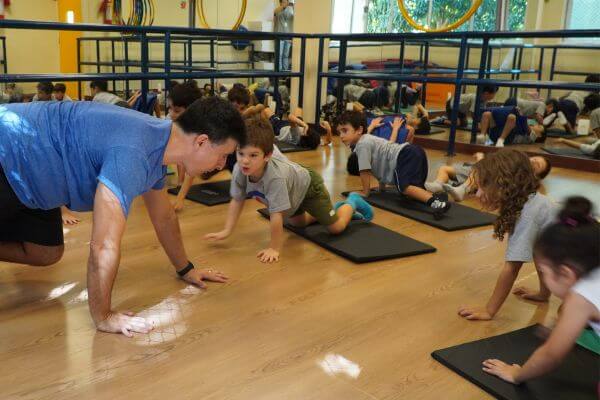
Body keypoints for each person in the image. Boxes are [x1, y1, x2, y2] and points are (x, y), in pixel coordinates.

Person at [0, 97, 245, 336]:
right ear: (201, 142)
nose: (221, 164)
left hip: (36, 175)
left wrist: (186, 269)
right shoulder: (133, 153)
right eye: (223, 155)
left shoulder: (158, 142)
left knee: (45, 252)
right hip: (9, 155)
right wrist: (104, 316)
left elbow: (164, 217)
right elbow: (102, 244)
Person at [204, 117, 373, 263]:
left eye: (253, 155)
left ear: (268, 155)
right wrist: (227, 230)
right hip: (293, 191)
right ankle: (329, 210)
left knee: (335, 228)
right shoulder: (239, 170)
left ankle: (351, 202)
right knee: (297, 224)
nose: (245, 161)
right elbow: (237, 200)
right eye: (241, 154)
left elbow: (276, 215)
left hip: (309, 187)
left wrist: (274, 248)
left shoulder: (275, 177)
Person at [482, 196, 599, 385]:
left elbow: (551, 355)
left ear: (566, 274)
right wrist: (561, 323)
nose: (542, 277)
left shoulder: (581, 300)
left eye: (543, 272)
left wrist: (516, 375)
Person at [458, 149, 557, 321]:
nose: (478, 193)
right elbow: (541, 256)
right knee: (540, 251)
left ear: (505, 184)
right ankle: (545, 294)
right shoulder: (531, 202)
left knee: (568, 316)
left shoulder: (528, 213)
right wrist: (543, 294)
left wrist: (489, 310)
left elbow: (511, 268)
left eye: (484, 186)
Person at [337, 110, 450, 218]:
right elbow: (382, 160)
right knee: (413, 190)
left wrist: (365, 192)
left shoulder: (362, 144)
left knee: (405, 188)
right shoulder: (368, 139)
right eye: (339, 132)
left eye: (345, 130)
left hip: (404, 155)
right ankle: (436, 197)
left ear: (359, 130)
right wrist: (382, 188)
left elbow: (364, 170)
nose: (341, 136)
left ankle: (437, 204)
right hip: (414, 151)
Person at [426, 153, 552, 202]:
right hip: (478, 169)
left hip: (487, 176)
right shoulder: (516, 159)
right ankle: (438, 184)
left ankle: (463, 189)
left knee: (480, 169)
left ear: (537, 175)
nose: (533, 161)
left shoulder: (522, 176)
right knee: (445, 169)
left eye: (537, 165)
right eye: (534, 159)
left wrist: (481, 160)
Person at [477, 106, 545, 147]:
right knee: (487, 114)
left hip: (507, 139)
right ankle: (482, 135)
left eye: (539, 127)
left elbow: (526, 126)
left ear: (539, 135)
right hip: (497, 133)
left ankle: (501, 140)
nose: (536, 125)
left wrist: (520, 114)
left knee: (512, 117)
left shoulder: (532, 138)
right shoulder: (525, 127)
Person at [274, 0, 294, 71]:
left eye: (286, 2)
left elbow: (293, 19)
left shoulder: (291, 10)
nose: (285, 3)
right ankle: (279, 72)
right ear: (280, 3)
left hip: (288, 36)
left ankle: (285, 73)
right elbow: (275, 21)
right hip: (279, 35)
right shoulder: (277, 10)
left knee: (286, 55)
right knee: (279, 55)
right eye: (283, 2)